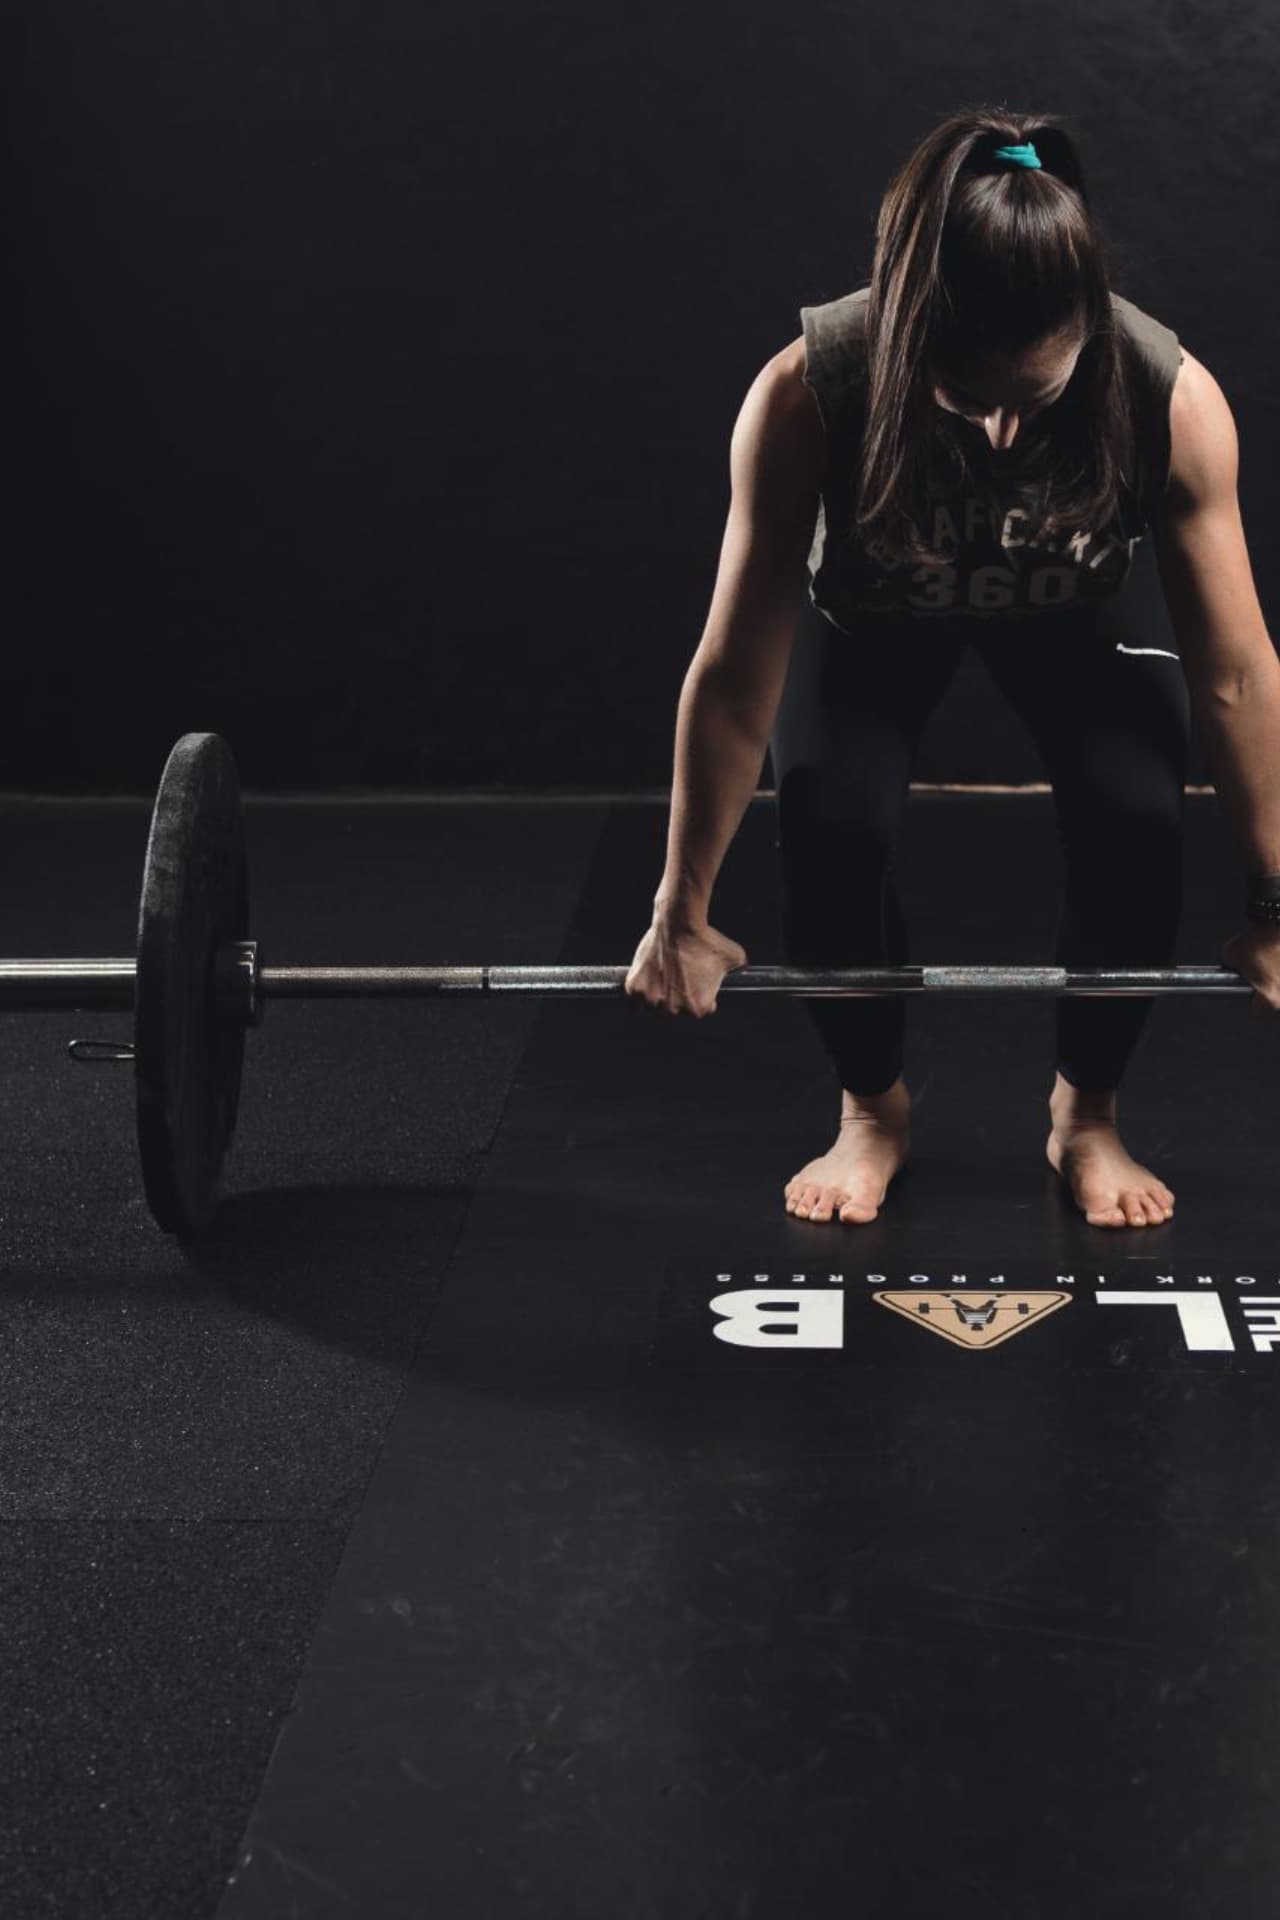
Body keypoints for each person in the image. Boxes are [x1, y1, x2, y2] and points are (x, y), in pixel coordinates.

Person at [625, 105, 1280, 1229]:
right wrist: (681, 906)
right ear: (906, 333)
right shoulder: (805, 390)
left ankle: (1085, 1116)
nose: (995, 439)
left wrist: (1276, 900)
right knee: (831, 821)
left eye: (1029, 400)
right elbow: (734, 673)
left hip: (1072, 604)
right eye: (960, 399)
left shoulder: (1166, 393)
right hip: (873, 612)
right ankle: (871, 1113)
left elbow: (1235, 674)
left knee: (1134, 815)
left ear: (1083, 326)